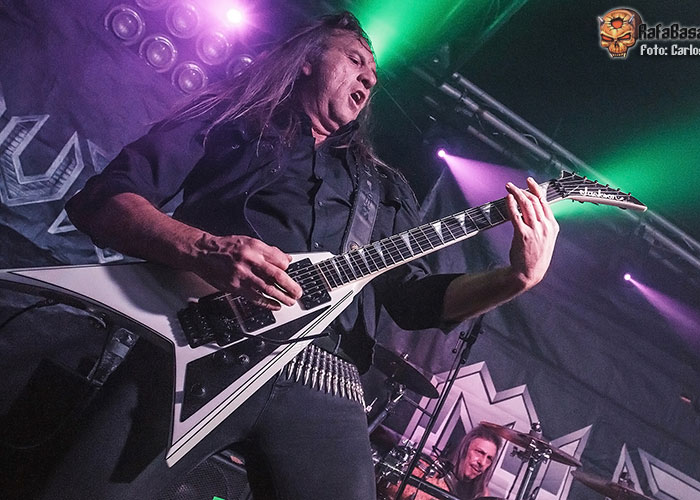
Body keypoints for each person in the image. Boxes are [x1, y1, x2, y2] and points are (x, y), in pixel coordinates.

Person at [46, 10, 558, 500]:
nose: (369, 79)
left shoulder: (383, 188)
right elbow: (103, 202)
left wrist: (515, 278)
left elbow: (412, 301)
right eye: (355, 60)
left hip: (325, 377)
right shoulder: (230, 117)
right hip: (198, 347)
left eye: (374, 76)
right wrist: (205, 249)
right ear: (309, 58)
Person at [444, 425, 503, 499]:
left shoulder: (482, 494)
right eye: (479, 452)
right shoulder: (436, 475)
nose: (483, 463)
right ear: (465, 448)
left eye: (489, 458)